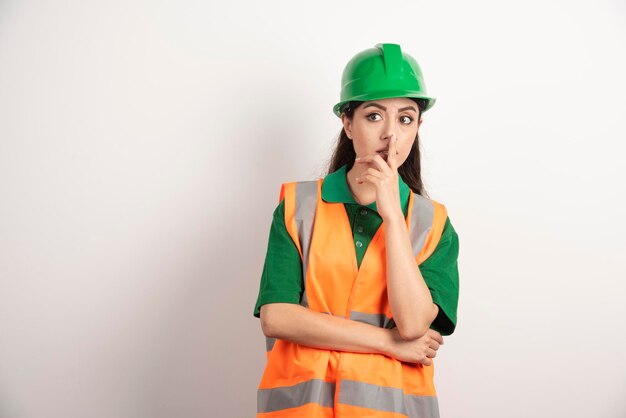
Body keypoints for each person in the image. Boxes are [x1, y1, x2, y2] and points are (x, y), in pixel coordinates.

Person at [252, 43, 460, 418]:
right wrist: (388, 342)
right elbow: (276, 317)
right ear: (347, 123)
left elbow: (413, 325)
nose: (391, 136)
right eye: (375, 116)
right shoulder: (298, 206)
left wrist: (394, 218)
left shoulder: (433, 224)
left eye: (406, 118)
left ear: (419, 127)